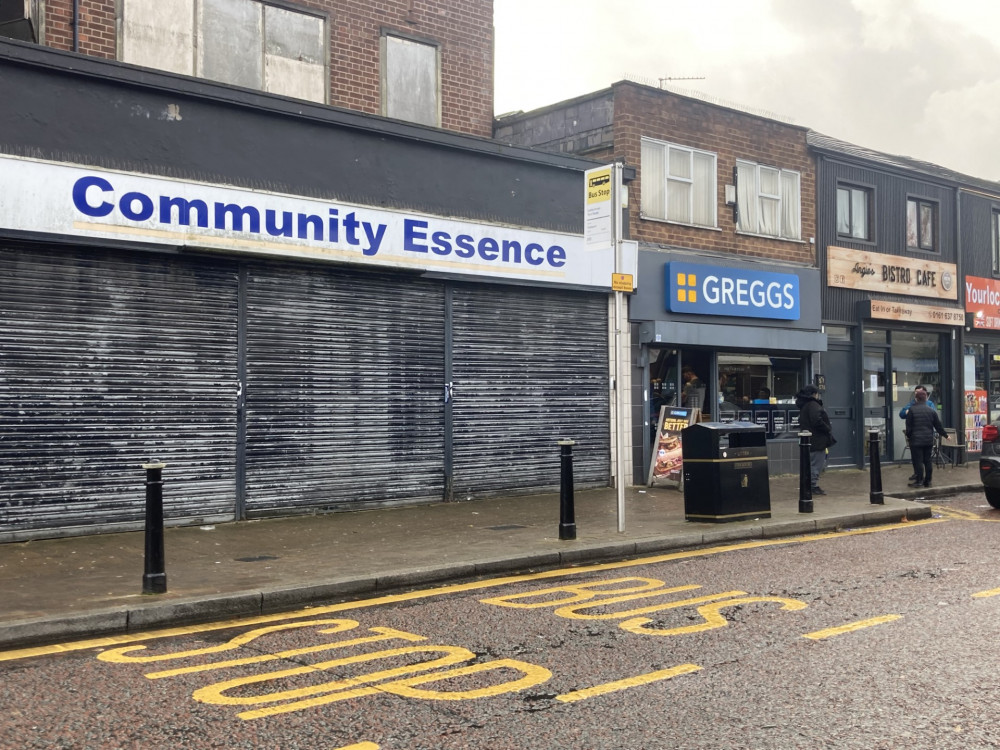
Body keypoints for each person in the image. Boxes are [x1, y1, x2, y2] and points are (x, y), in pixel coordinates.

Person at [904, 386, 948, 488]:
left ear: (916, 398)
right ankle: (928, 481)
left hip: (916, 440)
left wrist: (909, 436)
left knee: (918, 461)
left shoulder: (912, 410)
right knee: (927, 461)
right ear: (926, 398)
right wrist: (945, 435)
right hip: (928, 440)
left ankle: (919, 481)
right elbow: (938, 425)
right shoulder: (931, 411)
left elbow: (908, 427)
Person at [796, 384, 834, 495]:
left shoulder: (805, 405)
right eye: (817, 393)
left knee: (810, 463)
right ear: (814, 394)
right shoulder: (813, 405)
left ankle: (808, 484)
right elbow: (816, 420)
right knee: (816, 464)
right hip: (817, 440)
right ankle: (812, 486)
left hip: (809, 440)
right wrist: (827, 428)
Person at [899, 386, 937, 479]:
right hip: (916, 436)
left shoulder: (930, 404)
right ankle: (918, 474)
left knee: (926, 459)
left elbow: (934, 418)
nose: (917, 394)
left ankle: (925, 479)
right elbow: (902, 414)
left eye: (919, 392)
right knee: (916, 458)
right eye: (916, 392)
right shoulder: (912, 404)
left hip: (926, 435)